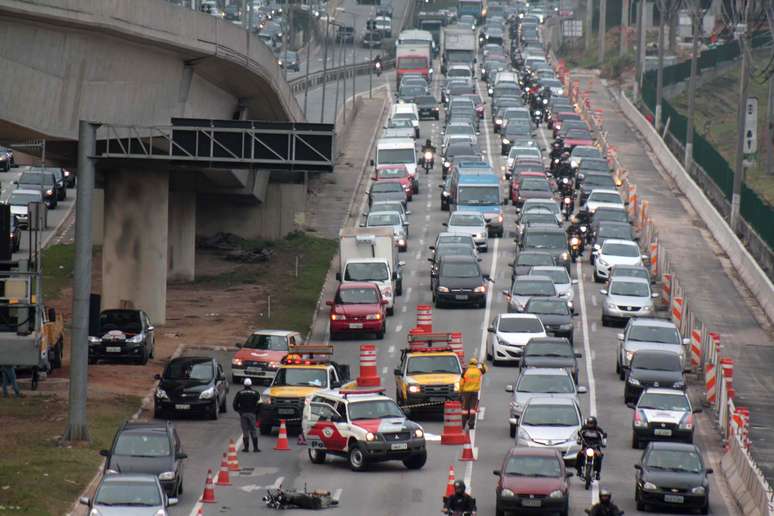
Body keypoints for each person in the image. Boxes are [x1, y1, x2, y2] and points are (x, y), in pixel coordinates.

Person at [233, 378, 262, 452]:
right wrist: (256, 411)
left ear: (244, 385)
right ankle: (255, 448)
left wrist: (239, 411)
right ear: (251, 384)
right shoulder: (256, 393)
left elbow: (235, 404)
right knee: (253, 430)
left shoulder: (240, 393)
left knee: (245, 430)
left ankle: (246, 448)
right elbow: (260, 403)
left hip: (243, 414)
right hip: (252, 414)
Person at [460, 358, 487, 429]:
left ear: (470, 363)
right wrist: (482, 364)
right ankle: (471, 424)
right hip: (475, 393)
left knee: (465, 409)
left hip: (466, 393)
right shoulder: (478, 371)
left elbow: (461, 383)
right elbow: (485, 369)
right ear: (476, 364)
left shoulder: (466, 371)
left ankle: (463, 425)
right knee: (472, 409)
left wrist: (460, 391)